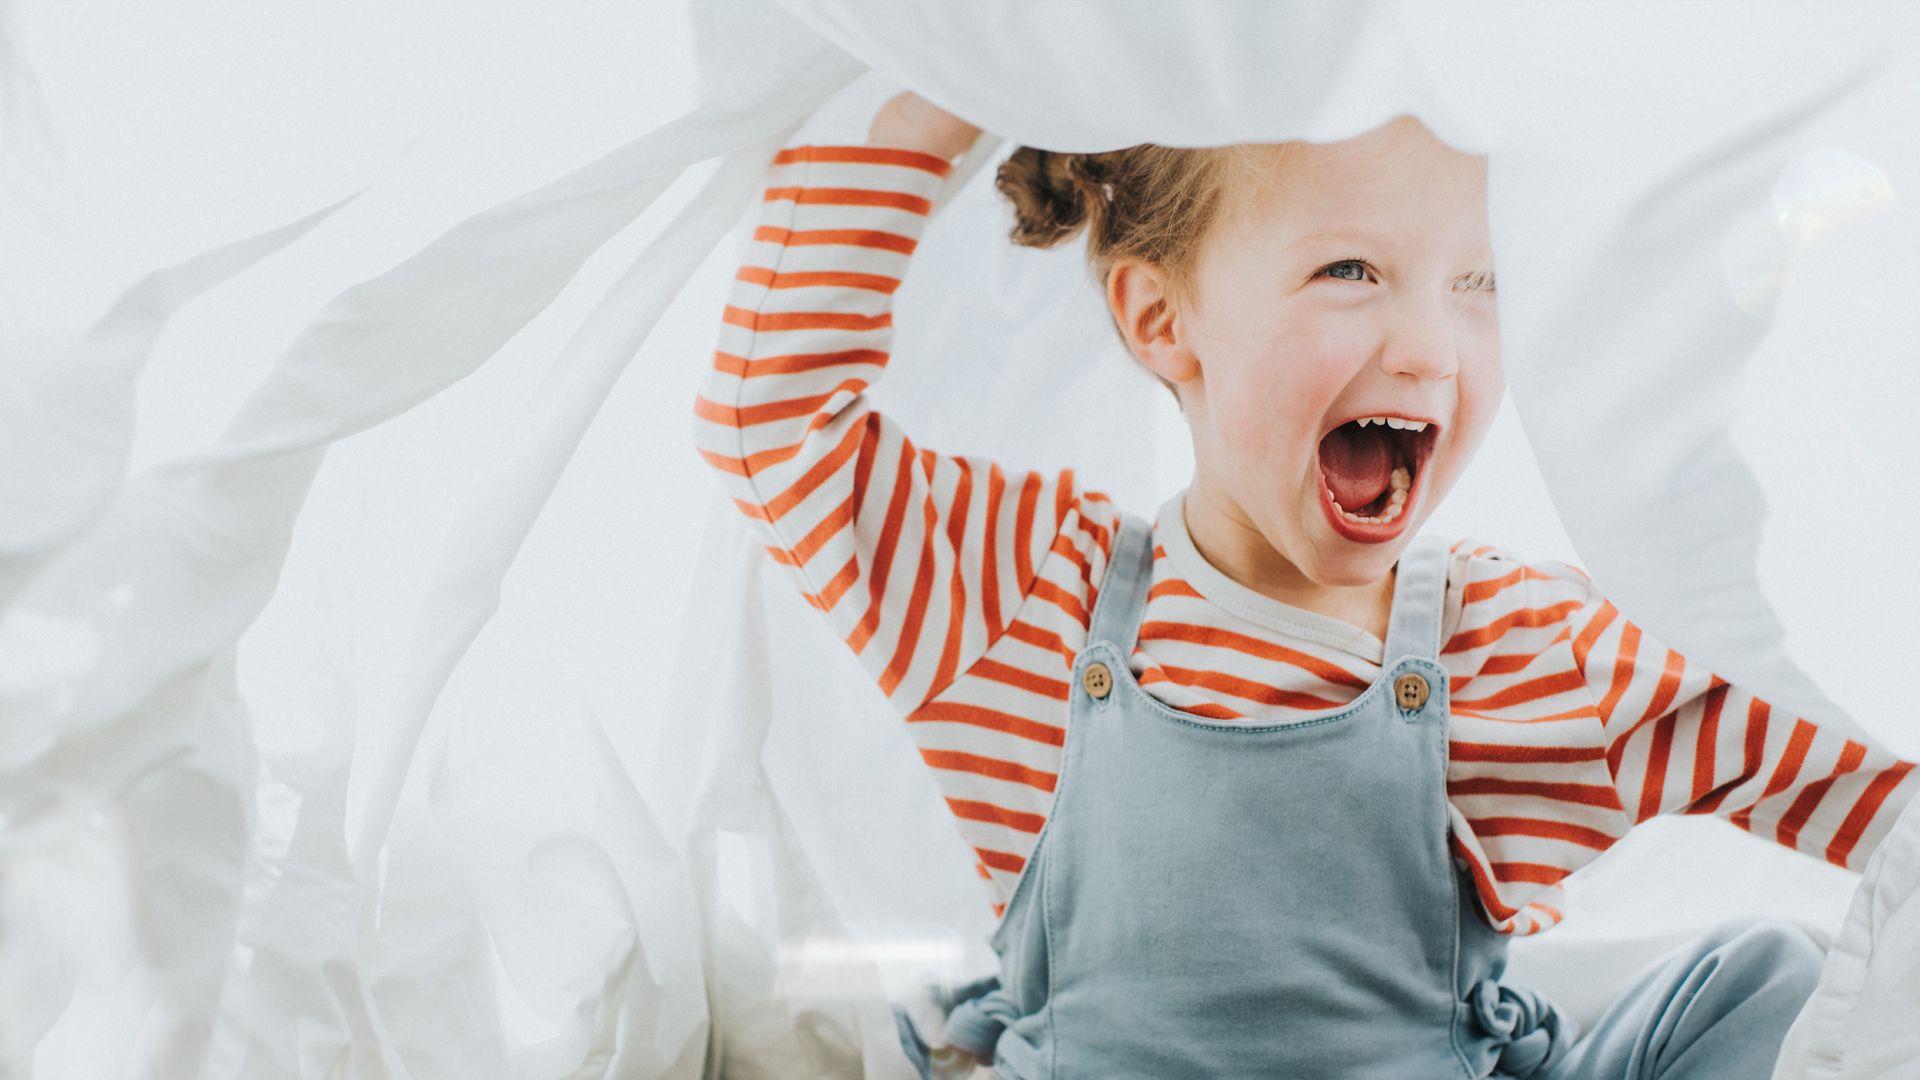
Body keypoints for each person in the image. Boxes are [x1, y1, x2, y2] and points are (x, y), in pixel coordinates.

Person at [689, 90, 1918, 1078]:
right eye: (1350, 271)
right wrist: (936, 98)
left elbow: (1863, 797)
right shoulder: (1032, 606)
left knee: (1760, 979)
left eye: (1477, 283)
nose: (1433, 346)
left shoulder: (1525, 651)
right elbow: (770, 420)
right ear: (1163, 319)